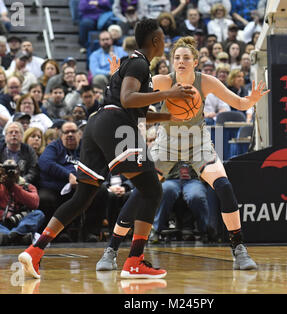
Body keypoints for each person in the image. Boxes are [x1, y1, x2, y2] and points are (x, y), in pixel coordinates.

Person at [19, 19, 194, 279]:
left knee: (82, 197)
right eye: (163, 39)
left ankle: (35, 250)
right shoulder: (138, 63)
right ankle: (135, 260)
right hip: (114, 125)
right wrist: (169, 94)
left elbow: (137, 112)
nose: (166, 43)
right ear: (156, 41)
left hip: (97, 126)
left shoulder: (131, 65)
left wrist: (170, 117)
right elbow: (127, 99)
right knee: (152, 188)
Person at [98, 36, 268, 272]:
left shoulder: (206, 82)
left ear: (195, 61)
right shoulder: (160, 81)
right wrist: (117, 77)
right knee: (140, 194)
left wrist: (252, 100)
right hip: (166, 142)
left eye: (186, 57)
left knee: (224, 186)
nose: (180, 61)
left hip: (198, 142)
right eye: (176, 57)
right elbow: (126, 97)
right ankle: (111, 250)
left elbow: (238, 103)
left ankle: (239, 249)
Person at [0, 159, 45, 246]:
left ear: (18, 171)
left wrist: (14, 187)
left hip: (18, 224)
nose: (9, 172)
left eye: (12, 169)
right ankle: (16, 237)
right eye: (6, 169)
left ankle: (11, 235)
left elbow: (35, 204)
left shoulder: (26, 186)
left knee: (39, 214)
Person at [150, 162, 211, 243]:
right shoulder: (167, 150)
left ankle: (204, 231)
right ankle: (156, 230)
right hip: (171, 178)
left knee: (196, 196)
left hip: (193, 179)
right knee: (165, 191)